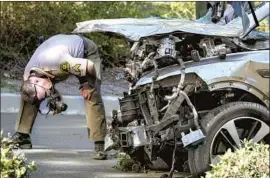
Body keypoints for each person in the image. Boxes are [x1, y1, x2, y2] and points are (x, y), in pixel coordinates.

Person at [11, 34, 107, 160]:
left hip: (85, 53)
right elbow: (33, 91)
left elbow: (88, 66)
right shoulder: (28, 75)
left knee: (91, 95)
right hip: (56, 53)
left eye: (46, 94)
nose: (47, 96)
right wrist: (52, 97)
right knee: (30, 97)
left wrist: (87, 84)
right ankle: (22, 136)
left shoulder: (63, 64)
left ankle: (99, 144)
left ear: (39, 81)